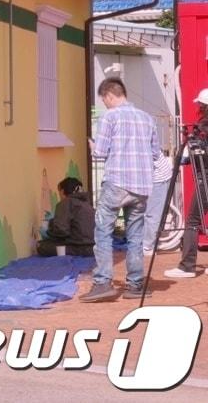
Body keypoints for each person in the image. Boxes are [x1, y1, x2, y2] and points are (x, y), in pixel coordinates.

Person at [81, 78, 158, 302]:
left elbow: (101, 152)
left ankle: (103, 282)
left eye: (104, 100)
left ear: (109, 96)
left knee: (103, 231)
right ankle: (135, 285)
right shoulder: (147, 118)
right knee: (135, 236)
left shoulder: (110, 117)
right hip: (142, 185)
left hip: (117, 182)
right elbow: (155, 154)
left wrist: (93, 146)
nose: (105, 104)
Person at [166, 87, 208, 279]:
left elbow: (189, 158)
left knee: (192, 221)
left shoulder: (202, 130)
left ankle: (187, 265)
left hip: (205, 179)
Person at [37, 177, 94, 257]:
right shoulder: (87, 205)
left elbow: (61, 231)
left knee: (41, 246)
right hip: (94, 248)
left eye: (59, 192)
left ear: (62, 191)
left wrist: (48, 229)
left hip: (80, 248)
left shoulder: (65, 203)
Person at [144, 137, 175, 256]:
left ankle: (147, 246)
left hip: (158, 179)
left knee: (152, 214)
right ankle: (145, 244)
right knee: (149, 214)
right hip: (158, 177)